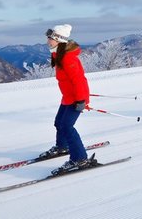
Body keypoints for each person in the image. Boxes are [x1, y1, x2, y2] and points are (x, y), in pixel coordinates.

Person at [38, 24, 94, 174]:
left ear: (59, 40)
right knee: (59, 123)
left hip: (76, 99)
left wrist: (82, 100)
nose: (47, 40)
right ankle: (62, 146)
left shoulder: (68, 58)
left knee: (67, 126)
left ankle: (80, 158)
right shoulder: (59, 55)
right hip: (68, 98)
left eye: (50, 38)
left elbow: (79, 80)